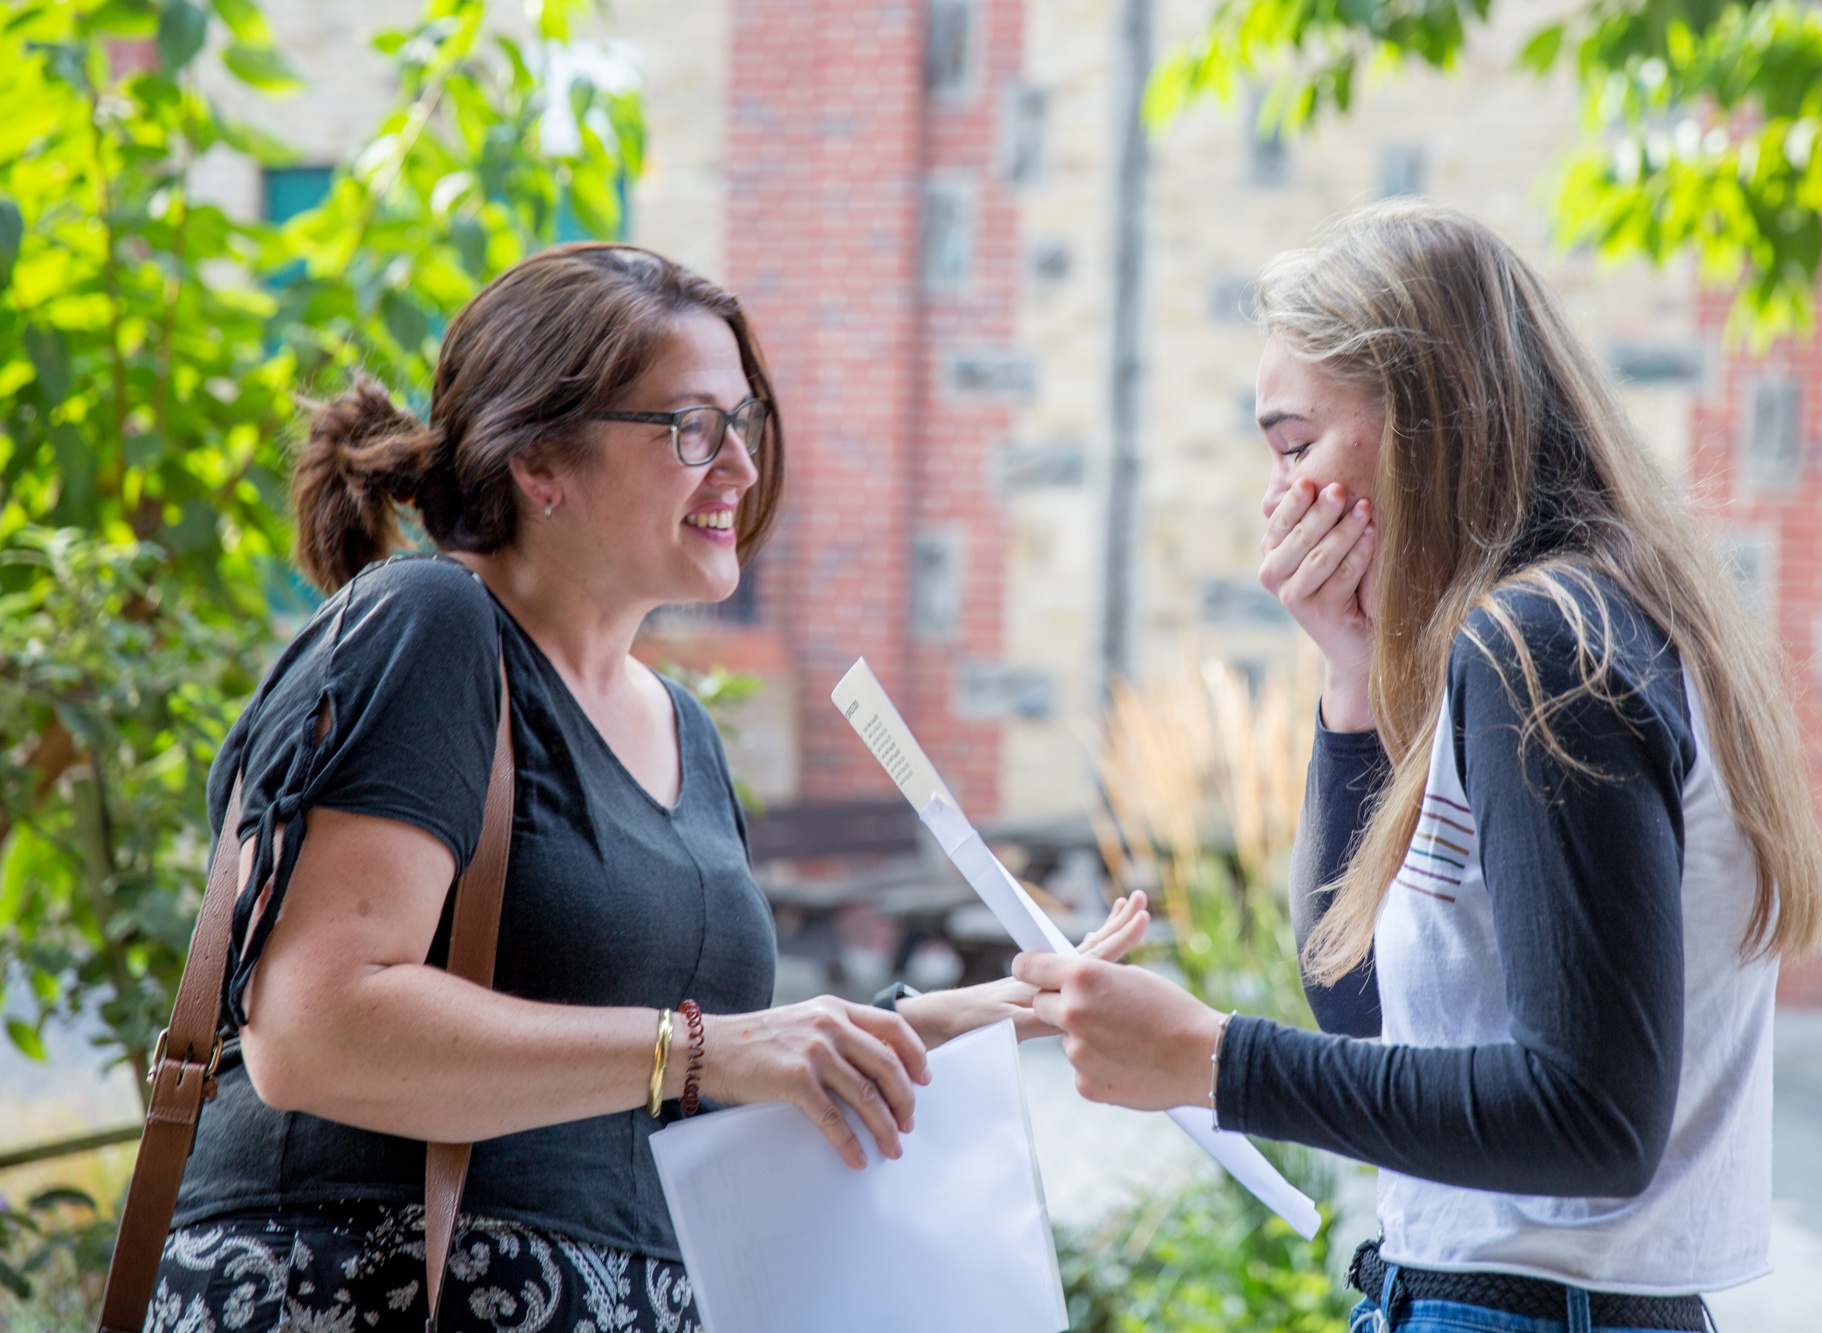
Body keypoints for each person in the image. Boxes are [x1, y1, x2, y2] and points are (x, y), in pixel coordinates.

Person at [151, 242, 1148, 1333]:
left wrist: (972, 1015)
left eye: (744, 422)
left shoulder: (681, 729)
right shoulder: (426, 626)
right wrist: (707, 1047)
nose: (740, 468)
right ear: (540, 464)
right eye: (690, 428)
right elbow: (314, 1029)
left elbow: (676, 1064)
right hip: (365, 1291)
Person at [1017, 201, 1822, 1333]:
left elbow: (1589, 1115)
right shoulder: (1593, 620)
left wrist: (1207, 1058)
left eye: (1294, 443)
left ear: (1417, 415)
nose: (1277, 498)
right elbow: (1360, 1003)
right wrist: (1350, 681)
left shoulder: (1543, 648)